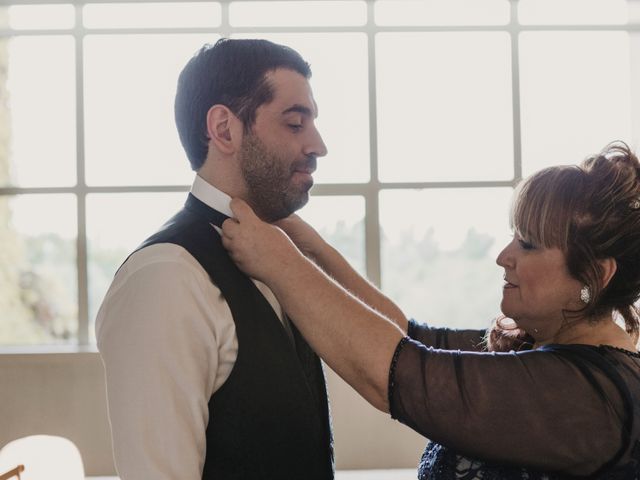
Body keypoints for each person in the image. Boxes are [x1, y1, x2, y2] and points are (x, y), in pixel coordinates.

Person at [221, 142, 640, 478]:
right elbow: (409, 335)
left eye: (527, 244)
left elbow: (397, 372)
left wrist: (278, 263)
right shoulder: (543, 350)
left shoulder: (591, 396)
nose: (503, 256)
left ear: (594, 275)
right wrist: (313, 249)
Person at [96, 38, 334, 479]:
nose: (318, 145)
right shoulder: (165, 277)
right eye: (296, 123)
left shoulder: (282, 256)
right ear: (224, 129)